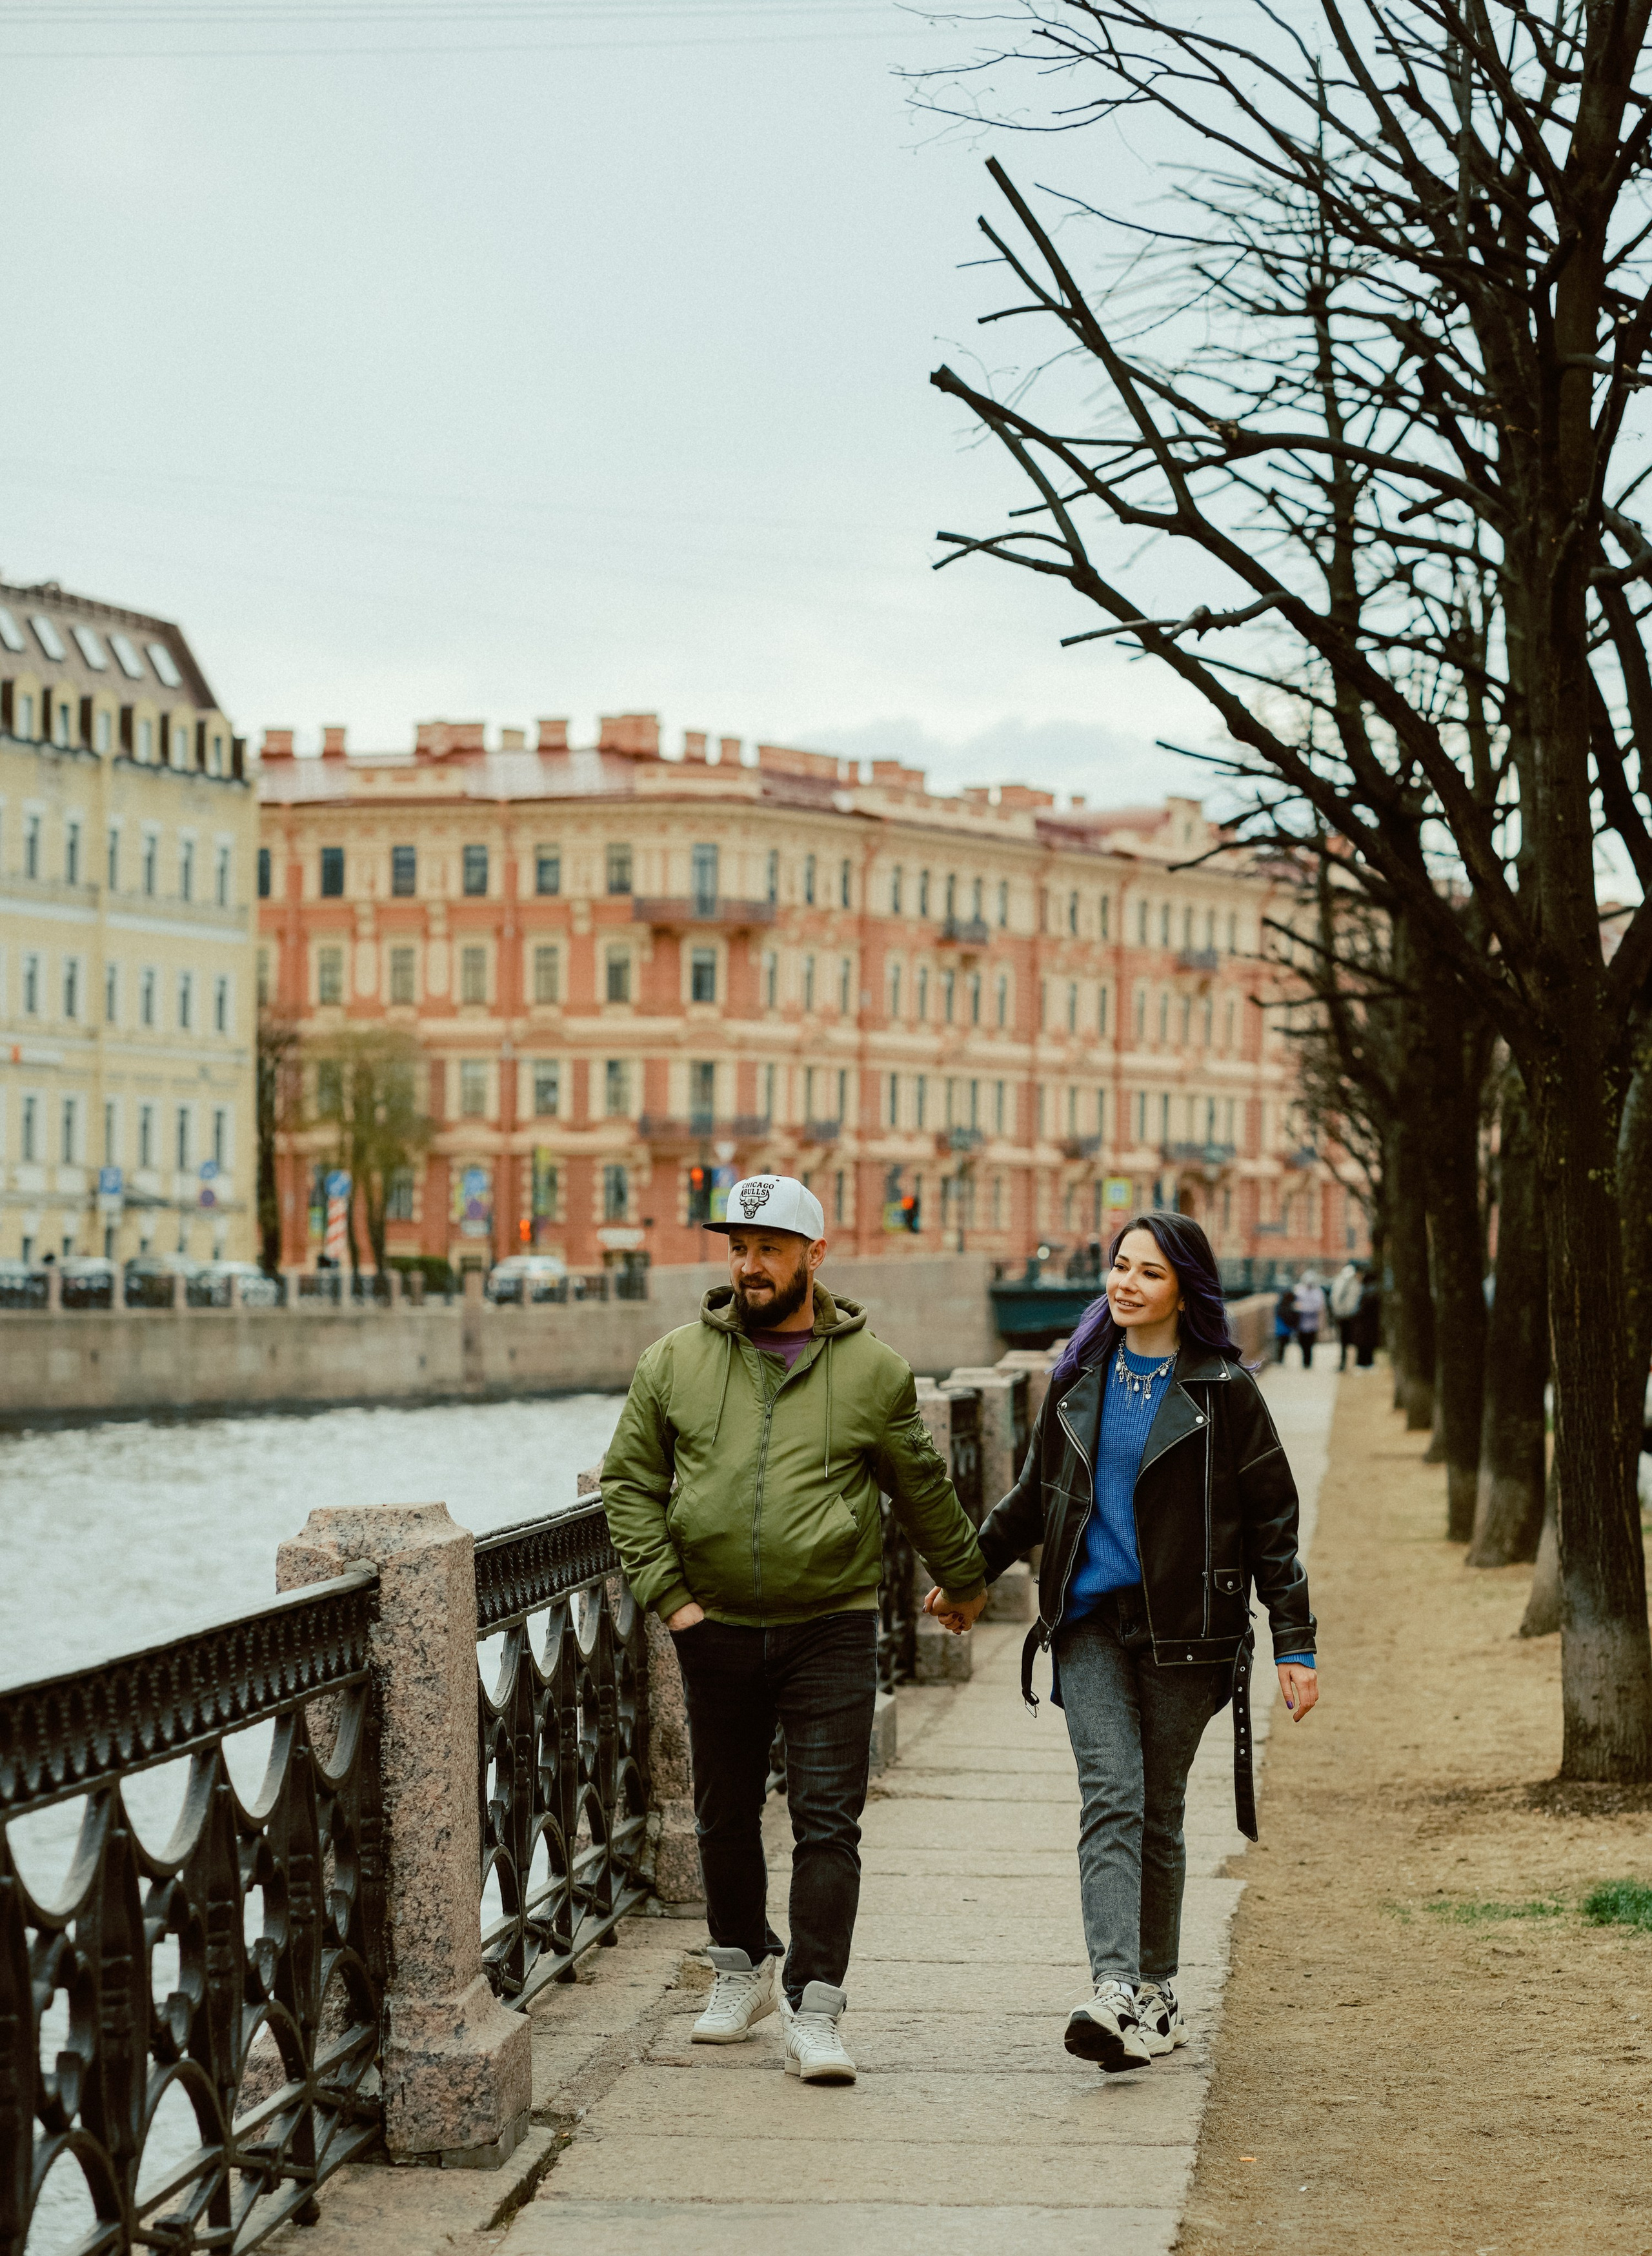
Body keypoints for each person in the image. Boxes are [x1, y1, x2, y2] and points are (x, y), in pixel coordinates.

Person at [602, 1173, 987, 2086]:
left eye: (769, 1248)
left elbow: (921, 1488)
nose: (750, 1265)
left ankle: (817, 2009)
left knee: (827, 1822)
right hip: (715, 1628)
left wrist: (964, 1579)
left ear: (815, 1255)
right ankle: (740, 1970)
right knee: (724, 1815)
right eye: (739, 1248)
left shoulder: (875, 1372)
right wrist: (675, 1602)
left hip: (831, 1628)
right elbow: (628, 1485)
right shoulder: (672, 1363)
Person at [927, 1212, 1317, 2072]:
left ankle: (1158, 1993)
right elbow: (1032, 1500)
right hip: (1089, 1622)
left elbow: (1271, 1522)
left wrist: (1295, 1641)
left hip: (1190, 1633)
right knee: (1113, 1792)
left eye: (1147, 1272)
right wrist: (970, 1576)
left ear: (1185, 1287)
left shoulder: (1223, 1389)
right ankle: (1114, 1989)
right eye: (1118, 1266)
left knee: (1160, 1811)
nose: (1125, 1284)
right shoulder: (1077, 1378)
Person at [1329, 1260, 1364, 1370]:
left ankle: (1346, 1363)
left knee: (1345, 1341)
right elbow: (1352, 1299)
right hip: (1348, 1315)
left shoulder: (1341, 1280)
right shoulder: (1352, 1282)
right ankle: (1347, 1364)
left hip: (1342, 1314)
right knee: (1348, 1340)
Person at [1292, 1270, 1325, 1368]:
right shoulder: (1299, 1290)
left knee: (1310, 1344)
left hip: (1312, 1323)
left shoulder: (1318, 1292)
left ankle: (1308, 1362)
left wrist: (1304, 1308)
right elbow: (1295, 1304)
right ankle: (1304, 1361)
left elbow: (1319, 1306)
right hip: (1301, 1322)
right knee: (1302, 1343)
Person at [1273, 1282, 1298, 1364]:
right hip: (1283, 1327)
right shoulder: (1285, 1304)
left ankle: (1280, 1359)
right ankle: (1279, 1359)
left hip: (1283, 1327)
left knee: (1282, 1344)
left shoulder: (1283, 1303)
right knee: (1282, 1344)